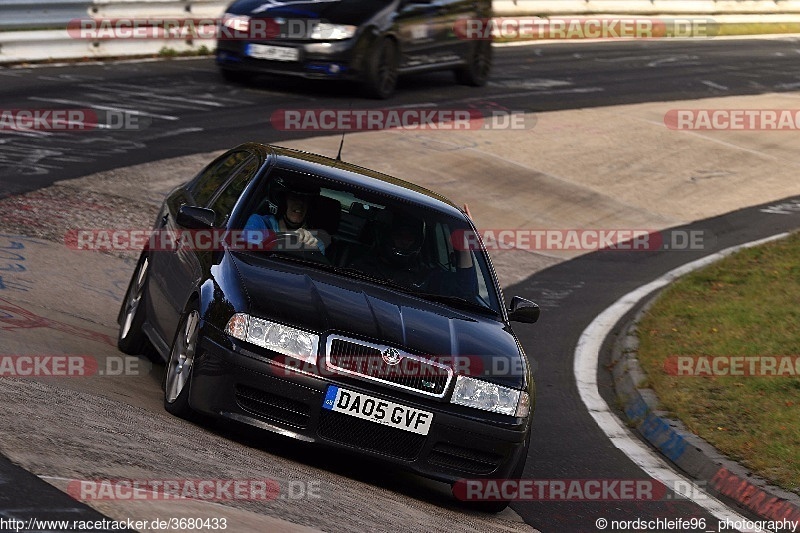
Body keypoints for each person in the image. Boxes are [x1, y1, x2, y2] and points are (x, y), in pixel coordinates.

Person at [243, 177, 326, 253]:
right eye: (294, 197)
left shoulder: (316, 243)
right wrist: (289, 240)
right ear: (281, 202)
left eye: (305, 199)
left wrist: (310, 251)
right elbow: (245, 252)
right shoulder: (259, 223)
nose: (300, 203)